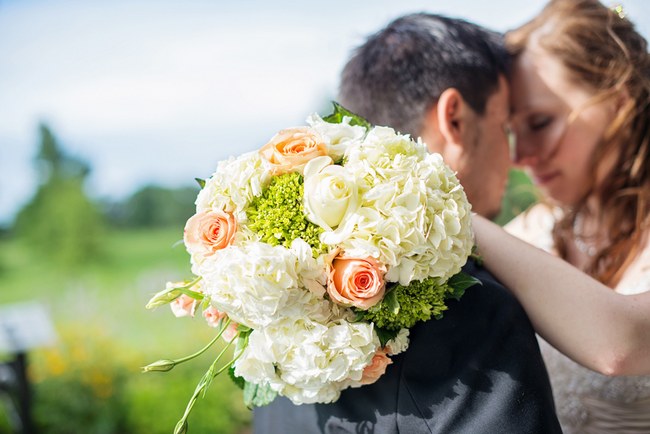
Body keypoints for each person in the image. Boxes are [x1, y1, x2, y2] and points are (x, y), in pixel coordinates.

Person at [253, 13, 562, 434]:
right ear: (454, 119)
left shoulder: (271, 319)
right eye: (504, 126)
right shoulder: (475, 311)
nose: (516, 157)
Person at [471, 0, 650, 432]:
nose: (522, 158)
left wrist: (451, 216)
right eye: (512, 132)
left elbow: (623, 346)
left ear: (616, 98)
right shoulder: (529, 232)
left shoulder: (494, 239)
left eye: (540, 122)